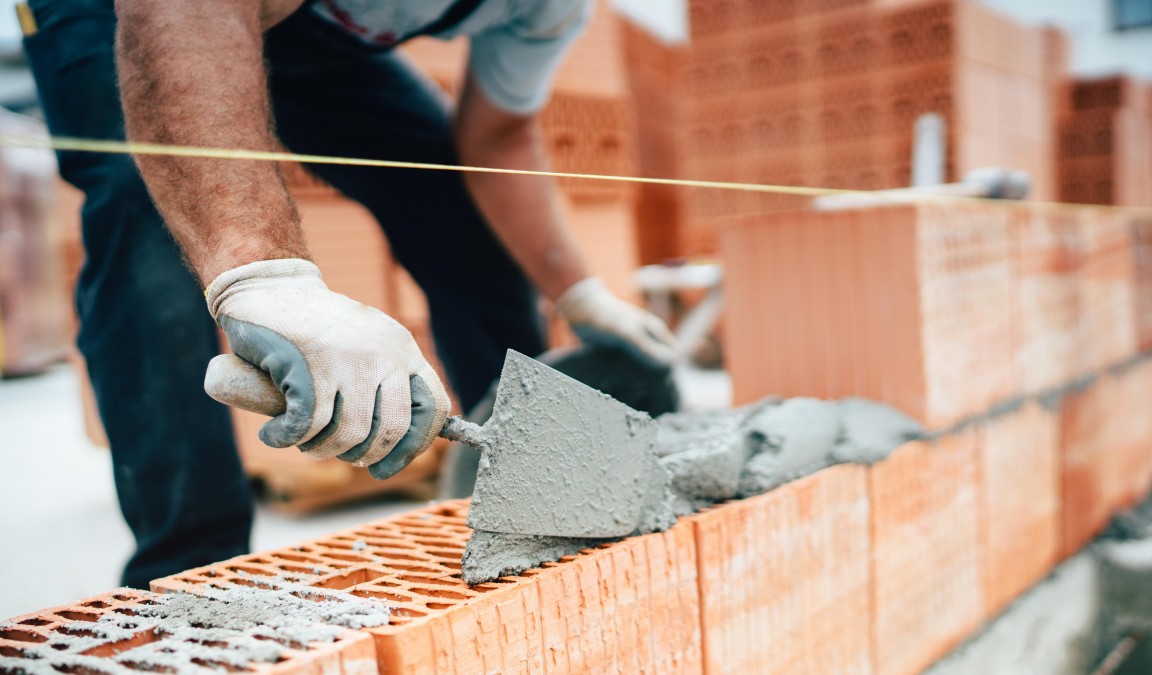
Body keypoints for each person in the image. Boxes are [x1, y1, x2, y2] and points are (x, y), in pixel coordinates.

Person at [21, 0, 676, 589]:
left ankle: (532, 491)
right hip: (130, 11)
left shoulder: (547, 9)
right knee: (146, 215)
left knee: (453, 198)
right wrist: (263, 275)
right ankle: (192, 573)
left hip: (303, 26)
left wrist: (578, 292)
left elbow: (498, 137)